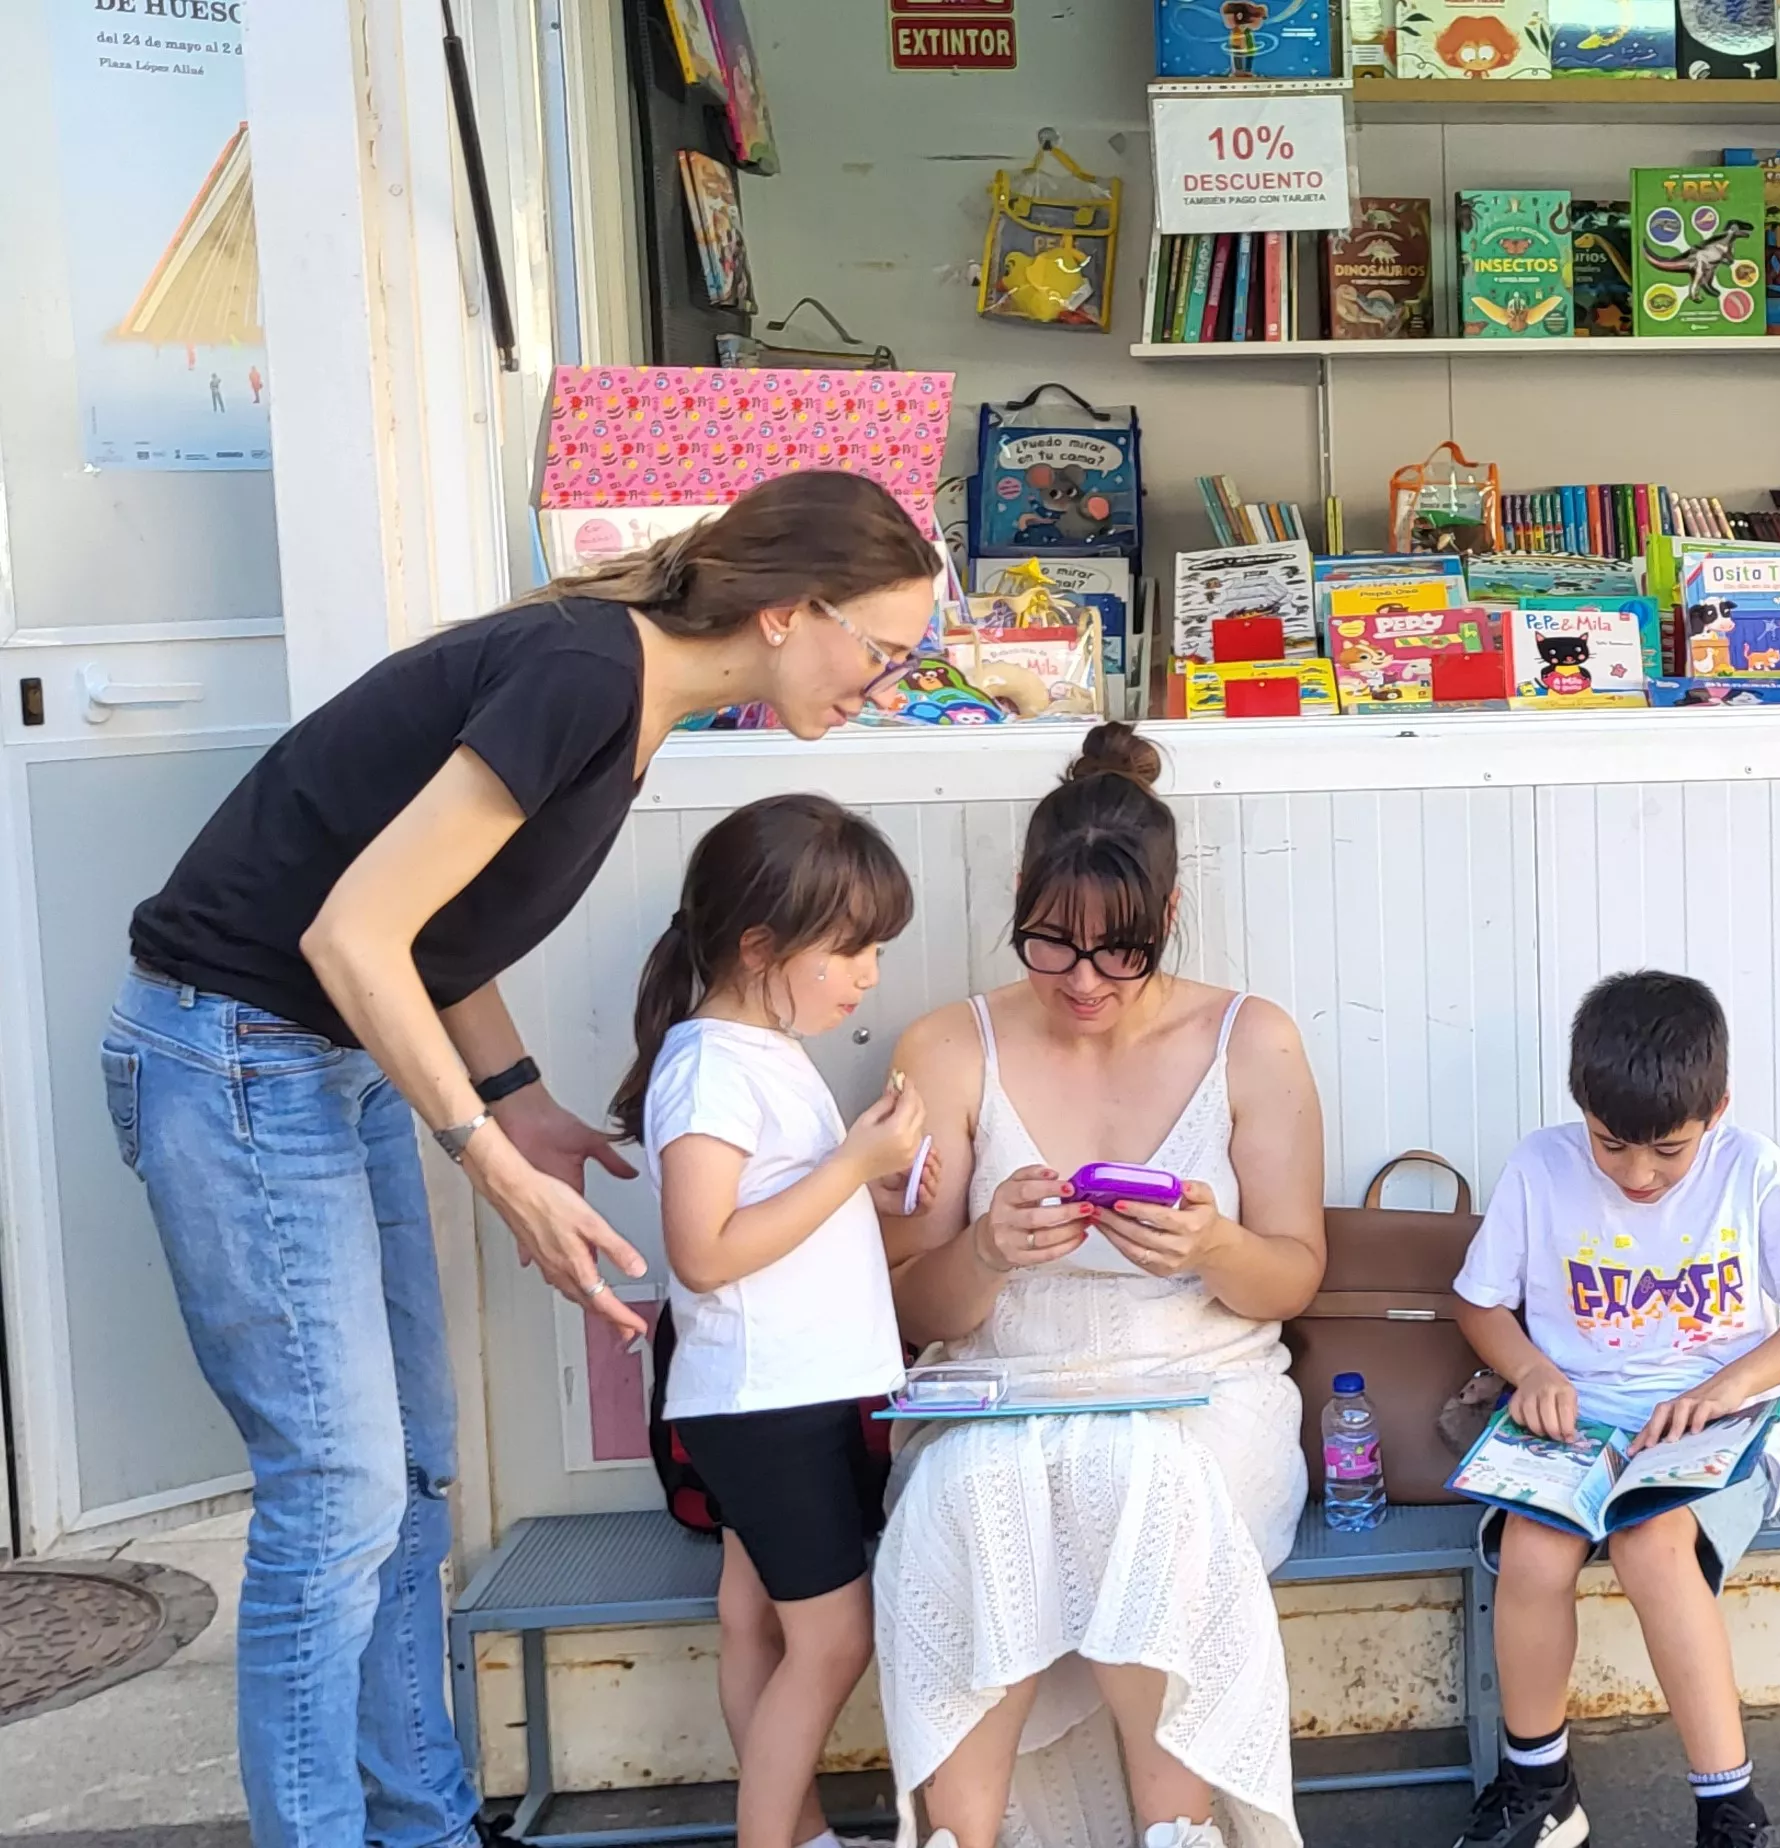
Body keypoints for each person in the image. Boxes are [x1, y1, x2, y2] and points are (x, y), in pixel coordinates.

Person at [100, 469, 943, 1848]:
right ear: (790, 612)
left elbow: (433, 935)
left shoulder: (632, 702)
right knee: (340, 1496)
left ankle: (423, 1822)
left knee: (414, 1472)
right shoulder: (580, 675)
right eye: (883, 649)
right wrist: (495, 1160)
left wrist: (522, 1093)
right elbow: (352, 936)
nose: (888, 681)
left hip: (330, 1056)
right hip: (235, 1050)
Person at [873, 722, 1328, 1848]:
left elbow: (1295, 1276)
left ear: (1167, 920)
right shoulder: (948, 1045)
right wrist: (983, 1252)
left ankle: (1174, 1833)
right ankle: (956, 1838)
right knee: (956, 1500)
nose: (1083, 982)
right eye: (1052, 947)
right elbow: (902, 1308)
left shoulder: (1249, 1040)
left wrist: (1212, 1248)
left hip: (1200, 1391)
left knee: (1145, 1486)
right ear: (1020, 898)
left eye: (1119, 952)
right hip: (999, 1388)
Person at [1449, 971, 1780, 1848]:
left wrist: (1726, 1387)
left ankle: (1728, 1806)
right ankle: (1538, 1785)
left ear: (1716, 1109)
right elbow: (1477, 1303)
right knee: (1532, 1551)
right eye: (1610, 1145)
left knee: (1650, 1544)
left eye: (1667, 1151)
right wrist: (1528, 1370)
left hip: (1715, 1423)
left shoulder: (1751, 1169)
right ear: (1580, 1108)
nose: (1638, 1174)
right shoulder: (1539, 1166)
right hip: (1576, 1420)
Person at [611, 794, 926, 1848]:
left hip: (783, 1390)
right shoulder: (711, 1065)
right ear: (761, 944)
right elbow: (702, 1252)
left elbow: (770, 1212)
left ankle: (801, 1833)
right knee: (834, 1640)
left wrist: (866, 1188)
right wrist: (853, 1166)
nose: (870, 972)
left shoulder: (759, 1049)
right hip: (767, 1397)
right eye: (851, 949)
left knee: (756, 1620)